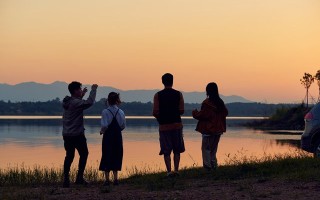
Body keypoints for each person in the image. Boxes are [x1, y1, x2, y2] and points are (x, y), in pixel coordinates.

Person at [62, 81, 98, 188]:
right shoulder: (75, 103)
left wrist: (82, 94)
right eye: (79, 89)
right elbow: (89, 102)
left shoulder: (67, 102)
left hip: (67, 134)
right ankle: (79, 178)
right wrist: (93, 89)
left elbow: (77, 101)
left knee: (69, 156)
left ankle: (66, 179)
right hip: (77, 134)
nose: (81, 90)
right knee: (84, 154)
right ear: (75, 91)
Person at [153, 73, 185, 177]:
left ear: (163, 82)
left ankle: (169, 171)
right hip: (177, 125)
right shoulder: (179, 94)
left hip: (164, 126)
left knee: (166, 149)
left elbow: (155, 112)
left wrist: (161, 118)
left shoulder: (157, 95)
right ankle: (176, 170)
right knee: (177, 148)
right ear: (172, 81)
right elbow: (181, 110)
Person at [192, 82, 228, 170]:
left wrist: (194, 113)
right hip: (218, 130)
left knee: (206, 149)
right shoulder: (220, 102)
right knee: (214, 149)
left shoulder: (207, 103)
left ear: (207, 91)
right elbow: (225, 113)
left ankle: (207, 167)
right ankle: (214, 165)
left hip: (208, 130)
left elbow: (203, 115)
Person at [99, 92, 126, 186]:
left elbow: (104, 125)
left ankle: (107, 180)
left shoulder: (105, 111)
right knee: (117, 154)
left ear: (108, 100)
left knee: (107, 154)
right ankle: (115, 179)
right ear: (117, 100)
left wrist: (102, 131)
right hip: (118, 136)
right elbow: (123, 126)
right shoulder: (121, 112)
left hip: (108, 137)